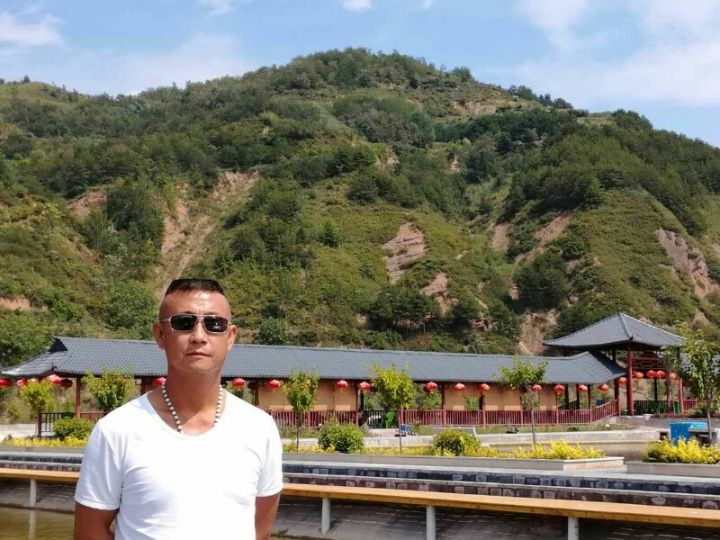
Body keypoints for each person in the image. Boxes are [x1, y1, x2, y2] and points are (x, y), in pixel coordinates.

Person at [74, 278, 283, 540]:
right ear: (160, 334)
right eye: (184, 323)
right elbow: (89, 531)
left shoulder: (259, 429)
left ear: (230, 337)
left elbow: (260, 531)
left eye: (214, 324)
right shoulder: (117, 430)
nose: (199, 336)